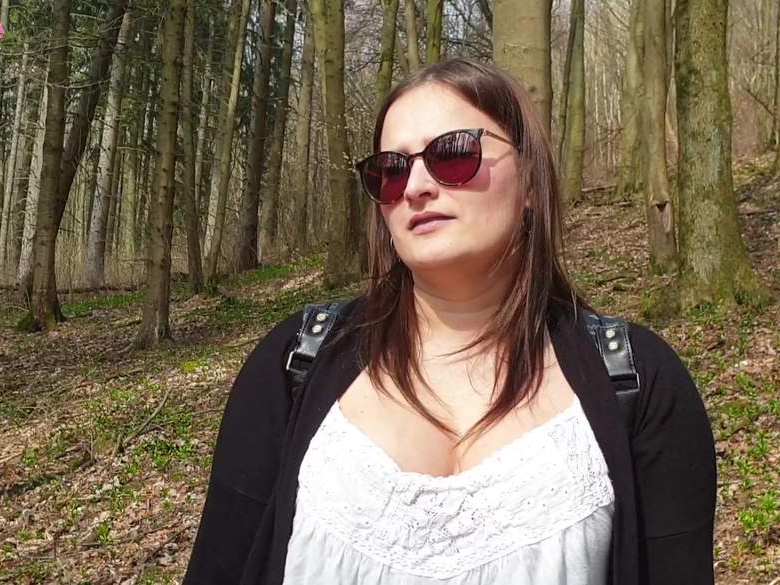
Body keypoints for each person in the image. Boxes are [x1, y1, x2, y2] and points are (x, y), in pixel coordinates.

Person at [183, 58, 717, 585]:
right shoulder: (293, 363)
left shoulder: (638, 382)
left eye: (454, 153)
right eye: (391, 170)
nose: (415, 186)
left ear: (531, 182)